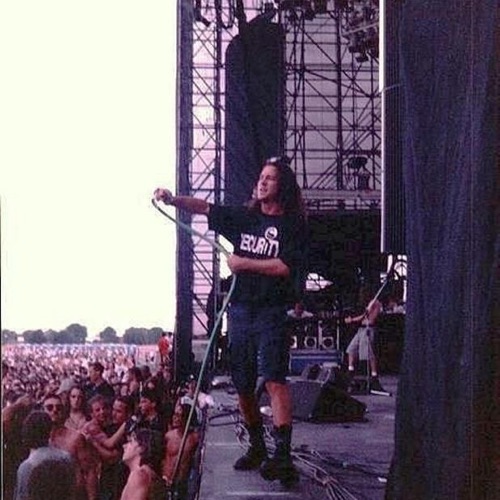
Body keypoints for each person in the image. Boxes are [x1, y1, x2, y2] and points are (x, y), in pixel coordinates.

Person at [155, 155, 307, 484]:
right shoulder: (244, 217)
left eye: (270, 178)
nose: (262, 182)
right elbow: (204, 207)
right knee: (242, 383)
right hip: (240, 311)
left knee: (274, 379)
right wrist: (172, 199)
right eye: (261, 177)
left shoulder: (293, 225)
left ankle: (282, 456)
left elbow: (285, 266)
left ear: (282, 186)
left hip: (271, 312)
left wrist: (244, 264)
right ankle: (257, 446)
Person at [42, 393, 98, 499]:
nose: (54, 410)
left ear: (63, 411)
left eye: (58, 408)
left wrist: (92, 498)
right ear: (43, 411)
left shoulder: (75, 438)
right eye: (49, 407)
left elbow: (89, 471)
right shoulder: (39, 439)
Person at [15, 410, 77, 500]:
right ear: (49, 431)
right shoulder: (66, 457)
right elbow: (72, 491)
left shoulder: (26, 466)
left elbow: (23, 497)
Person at [344, 285, 386, 392]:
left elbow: (366, 317)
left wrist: (352, 320)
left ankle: (374, 376)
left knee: (368, 353)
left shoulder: (376, 303)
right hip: (360, 330)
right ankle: (350, 371)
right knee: (351, 349)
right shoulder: (368, 304)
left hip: (368, 328)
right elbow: (363, 315)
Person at [162, 403, 200, 500]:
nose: (175, 418)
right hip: (166, 480)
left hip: (183, 483)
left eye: (179, 415)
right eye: (174, 415)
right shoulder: (169, 436)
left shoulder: (194, 438)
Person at [120, 429, 167, 500]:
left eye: (130, 442)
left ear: (142, 448)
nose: (124, 446)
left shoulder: (139, 476)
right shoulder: (141, 473)